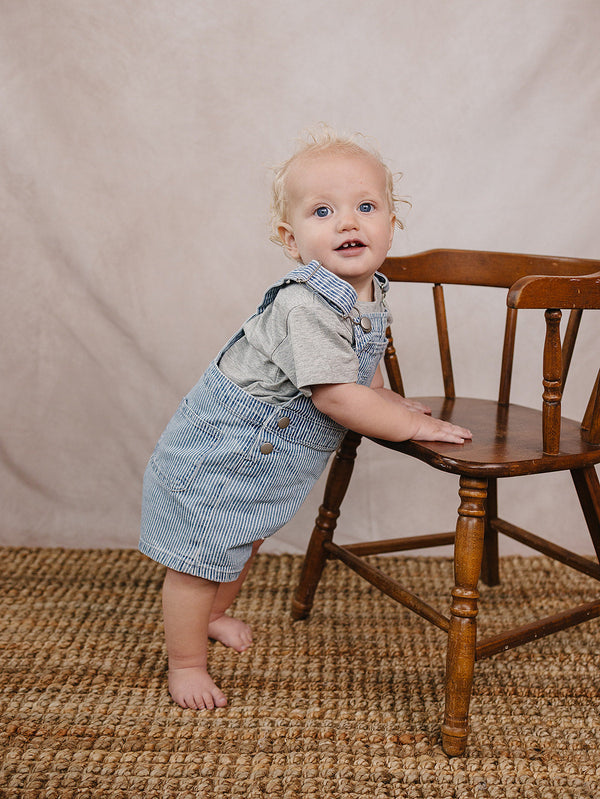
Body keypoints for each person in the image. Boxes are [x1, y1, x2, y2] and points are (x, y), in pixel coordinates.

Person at [140, 127, 472, 711]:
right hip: (219, 451)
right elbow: (336, 396)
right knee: (199, 560)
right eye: (324, 212)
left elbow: (358, 365)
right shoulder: (304, 303)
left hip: (266, 456)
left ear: (392, 223)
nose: (349, 223)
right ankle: (185, 662)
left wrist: (389, 399)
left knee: (243, 539)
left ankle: (215, 617)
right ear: (291, 241)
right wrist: (412, 426)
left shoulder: (368, 290)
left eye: (365, 207)